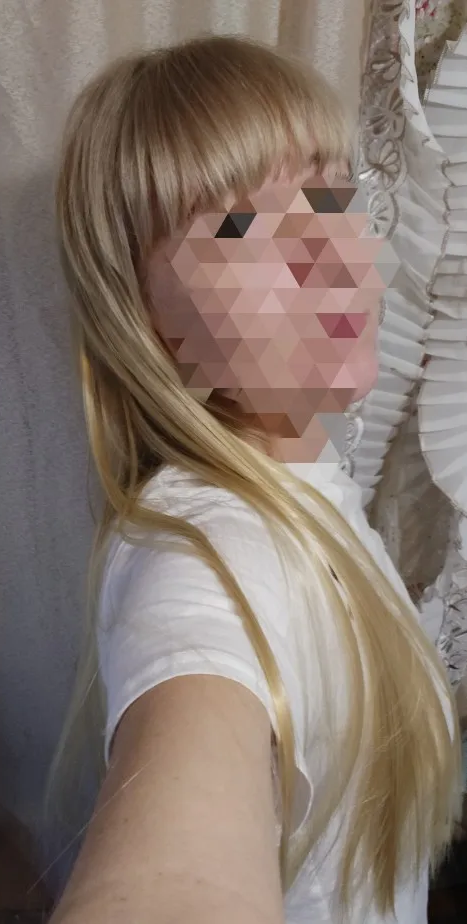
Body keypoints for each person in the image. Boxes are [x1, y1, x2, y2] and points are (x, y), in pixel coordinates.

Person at [48, 35, 462, 924]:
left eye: (332, 196)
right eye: (239, 229)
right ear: (142, 318)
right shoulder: (201, 557)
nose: (329, 255)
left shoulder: (306, 474)